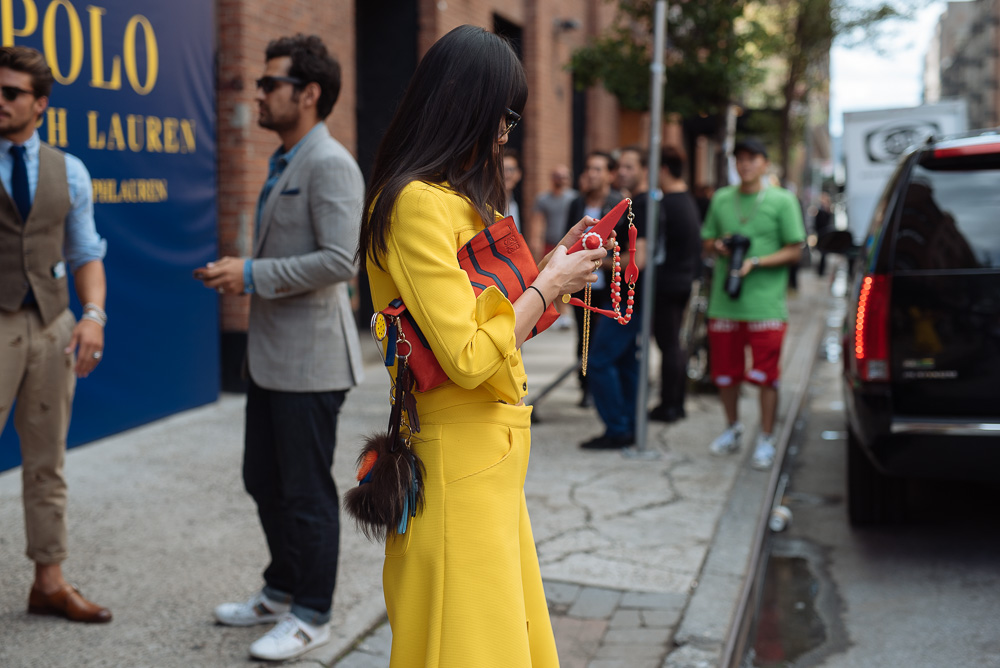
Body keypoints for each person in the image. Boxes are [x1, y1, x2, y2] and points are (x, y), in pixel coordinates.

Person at [359, 25, 607, 667]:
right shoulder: (415, 204)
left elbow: (497, 315)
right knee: (466, 648)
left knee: (497, 642)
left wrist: (554, 265)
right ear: (466, 105)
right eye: (504, 113)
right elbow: (467, 356)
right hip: (456, 464)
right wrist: (549, 285)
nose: (506, 131)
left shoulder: (457, 203)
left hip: (485, 462)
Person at [196, 34, 365, 661]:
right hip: (270, 356)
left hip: (312, 362)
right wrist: (242, 271)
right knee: (262, 478)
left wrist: (250, 275)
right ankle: (280, 589)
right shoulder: (284, 159)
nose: (258, 93)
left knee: (305, 491)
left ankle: (312, 614)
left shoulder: (330, 163)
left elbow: (341, 260)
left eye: (271, 83)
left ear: (309, 93)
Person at [0, 45, 111, 625]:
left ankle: (48, 581)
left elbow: (86, 252)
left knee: (47, 461)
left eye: (11, 93)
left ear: (40, 104)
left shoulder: (68, 169)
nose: (0, 101)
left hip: (50, 324)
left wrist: (93, 315)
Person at [701, 138, 805, 470]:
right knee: (726, 375)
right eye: (740, 159)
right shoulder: (720, 198)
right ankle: (732, 428)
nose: (745, 165)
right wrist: (719, 246)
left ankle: (766, 436)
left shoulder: (783, 200)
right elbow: (706, 240)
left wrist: (756, 262)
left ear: (764, 163)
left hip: (766, 306)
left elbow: (795, 249)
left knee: (766, 376)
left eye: (752, 159)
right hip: (724, 304)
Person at [579, 146, 648, 449]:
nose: (621, 172)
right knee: (622, 362)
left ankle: (619, 427)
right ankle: (629, 424)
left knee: (599, 361)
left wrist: (594, 259)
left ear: (645, 169)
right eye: (620, 166)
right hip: (622, 296)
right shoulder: (633, 203)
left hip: (627, 297)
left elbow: (639, 260)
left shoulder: (642, 205)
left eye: (629, 167)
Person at [565, 151, 624, 407]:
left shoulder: (618, 204)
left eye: (598, 169)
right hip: (582, 285)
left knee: (603, 339)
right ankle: (585, 387)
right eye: (589, 168)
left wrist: (603, 263)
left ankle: (606, 389)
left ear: (610, 174)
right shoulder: (577, 204)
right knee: (583, 336)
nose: (592, 174)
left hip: (608, 285)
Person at [648, 146, 702, 423]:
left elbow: (656, 249)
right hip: (682, 280)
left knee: (669, 344)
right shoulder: (687, 201)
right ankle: (674, 403)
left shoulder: (668, 204)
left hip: (668, 283)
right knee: (673, 344)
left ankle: (670, 405)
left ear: (665, 169)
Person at [529, 164, 577, 328]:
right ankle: (562, 313)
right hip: (551, 244)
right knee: (553, 277)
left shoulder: (574, 198)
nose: (560, 179)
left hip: (571, 244)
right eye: (557, 175)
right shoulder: (543, 199)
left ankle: (566, 312)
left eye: (564, 176)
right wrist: (536, 240)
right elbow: (538, 221)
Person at [503, 148, 523, 230]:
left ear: (519, 174)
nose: (506, 175)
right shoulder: (487, 206)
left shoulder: (515, 204)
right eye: (502, 169)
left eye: (510, 169)